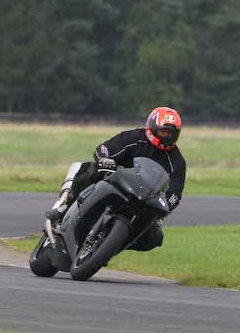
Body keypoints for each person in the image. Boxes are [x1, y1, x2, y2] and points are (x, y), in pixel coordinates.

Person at [46, 106, 186, 251]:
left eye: (171, 133)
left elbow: (175, 194)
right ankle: (65, 207)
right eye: (164, 131)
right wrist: (105, 160)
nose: (167, 136)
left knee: (155, 237)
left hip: (143, 202)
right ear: (153, 128)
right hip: (115, 183)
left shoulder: (177, 162)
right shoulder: (133, 138)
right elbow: (104, 149)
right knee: (92, 169)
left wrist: (163, 207)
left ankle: (111, 247)